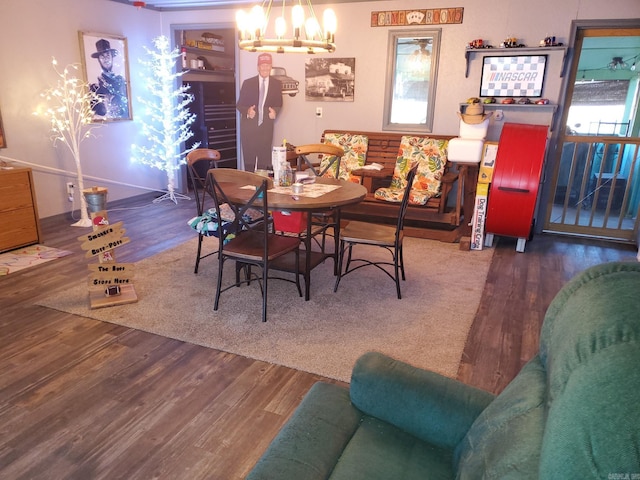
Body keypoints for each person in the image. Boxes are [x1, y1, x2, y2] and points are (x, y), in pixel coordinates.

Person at [236, 53, 283, 171]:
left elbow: (279, 104)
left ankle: (262, 188)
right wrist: (247, 111)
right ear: (258, 67)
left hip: (266, 129)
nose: (265, 68)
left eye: (268, 65)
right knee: (250, 162)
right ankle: (249, 187)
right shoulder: (248, 83)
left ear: (271, 67)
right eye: (262, 65)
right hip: (249, 129)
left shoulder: (277, 84)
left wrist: (275, 112)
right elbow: (239, 104)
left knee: (265, 162)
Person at [89, 39, 130, 120]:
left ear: (112, 57)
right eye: (102, 56)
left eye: (108, 55)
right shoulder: (95, 86)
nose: (106, 59)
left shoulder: (121, 80)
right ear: (99, 60)